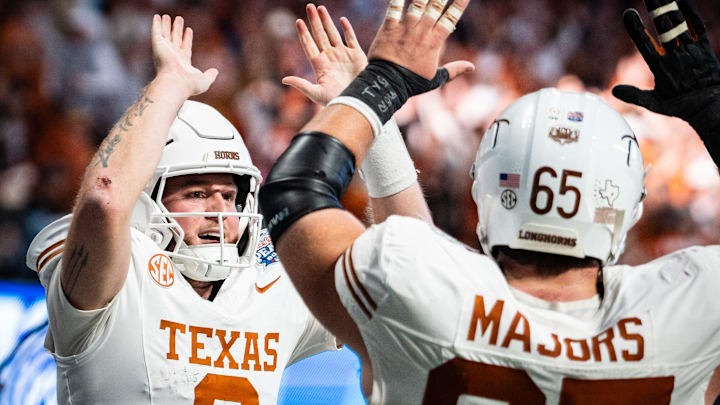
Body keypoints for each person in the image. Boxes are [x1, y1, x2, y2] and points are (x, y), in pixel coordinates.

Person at [258, 0, 720, 403]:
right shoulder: (693, 306)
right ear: (627, 205)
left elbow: (295, 191)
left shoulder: (417, 287)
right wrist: (713, 111)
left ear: (484, 192)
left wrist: (379, 87)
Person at [25, 13, 347, 404]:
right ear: (145, 201)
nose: (221, 212)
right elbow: (105, 198)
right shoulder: (119, 282)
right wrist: (170, 83)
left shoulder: (265, 286)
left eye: (230, 196)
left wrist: (364, 115)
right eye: (196, 194)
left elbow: (399, 272)